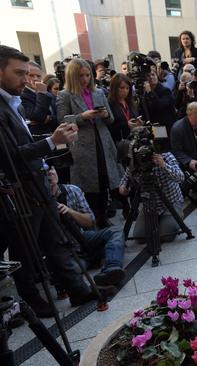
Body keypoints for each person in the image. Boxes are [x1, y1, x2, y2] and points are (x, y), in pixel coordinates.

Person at [0, 45, 103, 315]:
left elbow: (22, 143)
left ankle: (78, 289)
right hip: (19, 191)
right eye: (19, 73)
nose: (26, 80)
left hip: (38, 182)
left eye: (28, 73)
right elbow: (8, 156)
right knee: (26, 248)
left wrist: (47, 152)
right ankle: (32, 301)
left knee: (56, 239)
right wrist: (50, 142)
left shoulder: (13, 102)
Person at [56, 58, 123, 228]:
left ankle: (102, 216)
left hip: (103, 142)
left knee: (105, 180)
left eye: (87, 75)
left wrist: (105, 115)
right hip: (82, 147)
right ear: (72, 76)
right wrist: (83, 117)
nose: (85, 79)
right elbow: (62, 121)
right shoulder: (64, 95)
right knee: (89, 184)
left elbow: (111, 119)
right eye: (81, 76)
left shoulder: (98, 92)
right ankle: (91, 218)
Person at [48, 166, 126, 286]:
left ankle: (112, 268)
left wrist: (70, 211)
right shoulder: (39, 202)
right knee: (71, 269)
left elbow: (90, 221)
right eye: (45, 173)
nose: (50, 174)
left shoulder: (72, 190)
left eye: (51, 169)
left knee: (115, 232)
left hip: (83, 237)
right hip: (67, 250)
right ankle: (95, 260)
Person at [119, 131, 185, 243]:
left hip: (171, 203)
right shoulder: (134, 161)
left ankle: (176, 215)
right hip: (149, 204)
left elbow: (180, 177)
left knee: (166, 236)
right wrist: (123, 188)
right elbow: (125, 179)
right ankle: (159, 221)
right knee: (140, 238)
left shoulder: (164, 154)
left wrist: (163, 165)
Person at [21, 61, 56, 135]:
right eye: (31, 75)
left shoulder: (48, 94)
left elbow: (58, 116)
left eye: (38, 76)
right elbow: (37, 116)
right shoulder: (22, 95)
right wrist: (41, 93)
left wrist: (48, 119)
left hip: (52, 136)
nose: (35, 79)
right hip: (36, 138)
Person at [107, 74, 140, 145]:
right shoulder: (109, 104)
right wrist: (126, 125)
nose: (125, 91)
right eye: (122, 88)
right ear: (114, 88)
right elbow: (109, 127)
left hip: (133, 140)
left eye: (127, 88)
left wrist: (138, 123)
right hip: (119, 143)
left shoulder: (131, 103)